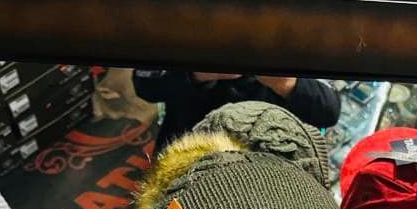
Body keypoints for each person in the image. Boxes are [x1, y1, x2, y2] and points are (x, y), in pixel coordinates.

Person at [132, 70, 341, 150]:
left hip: (258, 169)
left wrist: (284, 83)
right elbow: (144, 83)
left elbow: (329, 109)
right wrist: (197, 74)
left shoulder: (295, 30)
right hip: (184, 153)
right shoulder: (194, 19)